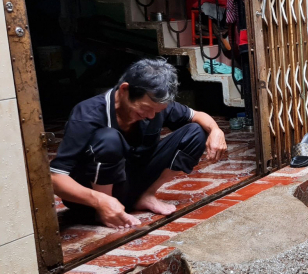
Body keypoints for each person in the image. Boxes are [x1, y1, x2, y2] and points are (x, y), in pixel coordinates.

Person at [50, 59, 227, 230]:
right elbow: (55, 178)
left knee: (196, 131)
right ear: (125, 90)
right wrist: (99, 201)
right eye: (146, 108)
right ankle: (105, 210)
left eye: (156, 111)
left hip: (131, 183)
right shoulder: (87, 113)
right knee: (108, 139)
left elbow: (197, 115)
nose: (151, 116)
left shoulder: (155, 106)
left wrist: (216, 130)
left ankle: (146, 196)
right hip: (91, 198)